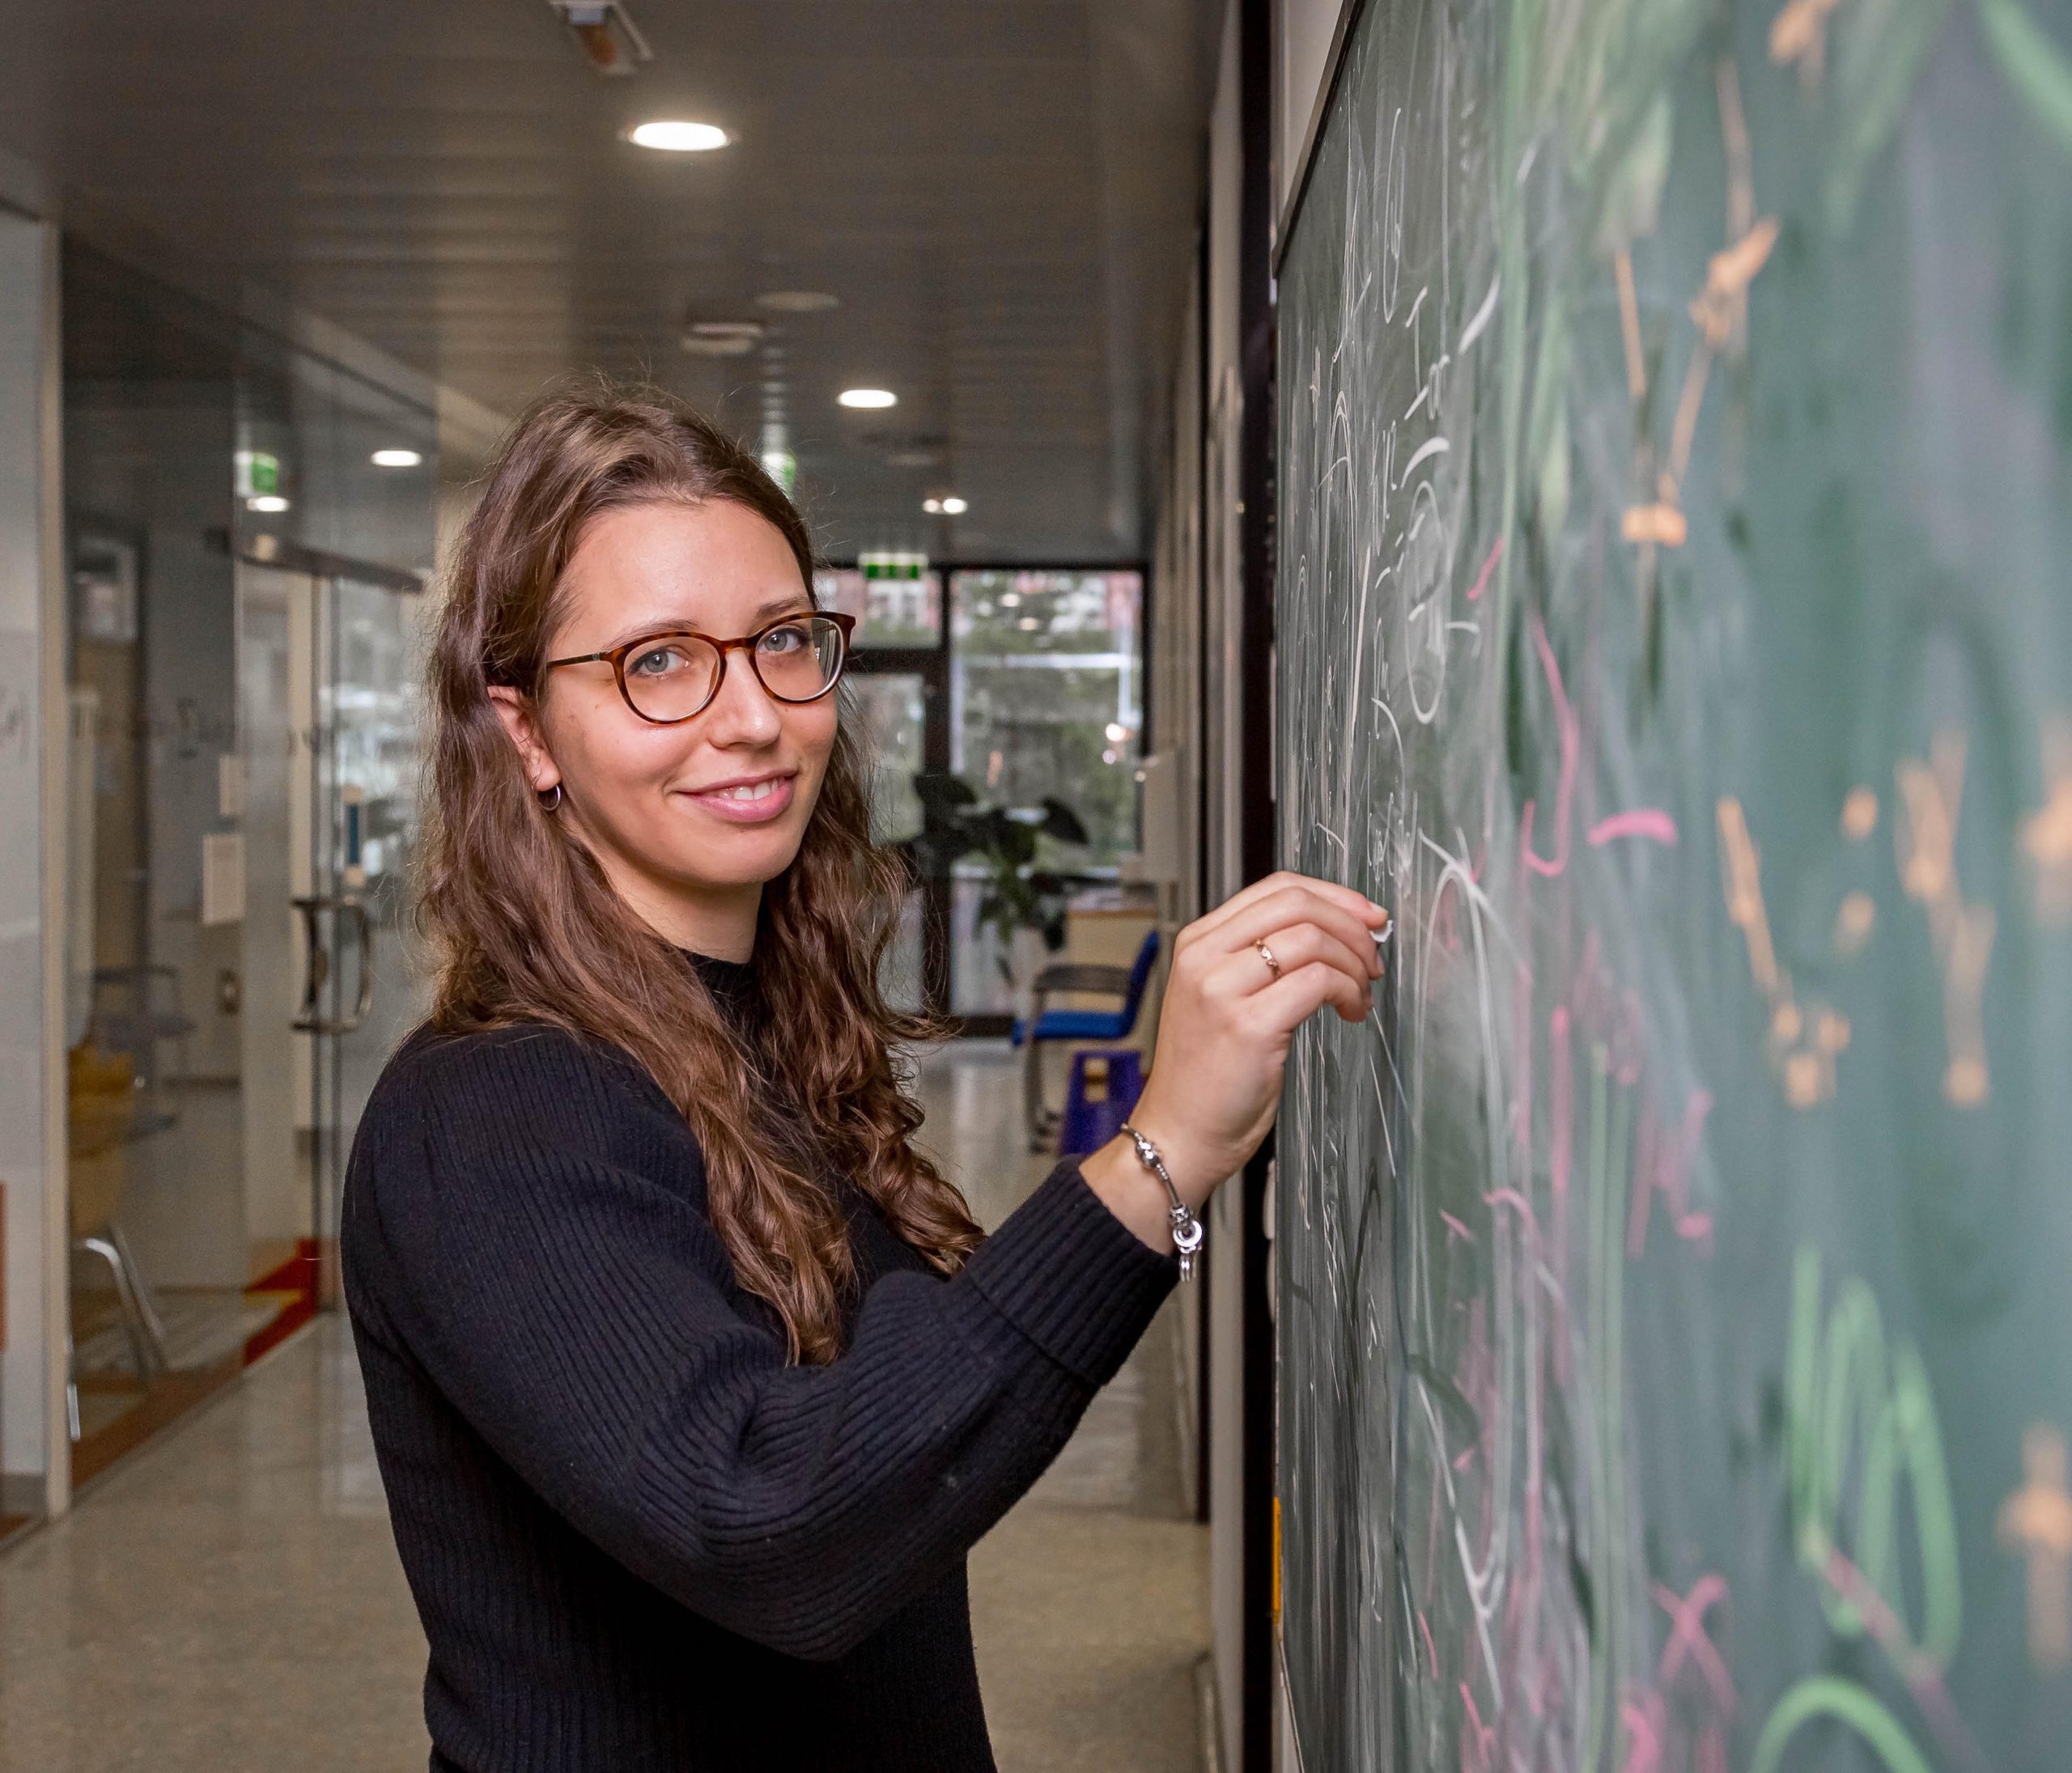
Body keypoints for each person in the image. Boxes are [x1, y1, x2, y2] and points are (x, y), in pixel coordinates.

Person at [342, 382, 1389, 1773]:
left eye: (782, 642)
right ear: (527, 729)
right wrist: (1155, 1157)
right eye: (659, 662)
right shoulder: (489, 1112)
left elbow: (895, 1474)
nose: (753, 716)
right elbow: (768, 1522)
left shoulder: (760, 1040)